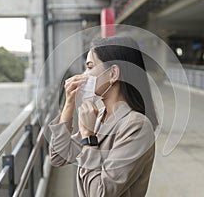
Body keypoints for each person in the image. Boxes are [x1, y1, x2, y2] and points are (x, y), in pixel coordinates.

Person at [49, 36, 158, 197]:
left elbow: (98, 193)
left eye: (90, 66)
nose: (84, 75)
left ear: (113, 73)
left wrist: (88, 137)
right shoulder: (100, 116)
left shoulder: (137, 126)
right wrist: (68, 105)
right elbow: (58, 156)